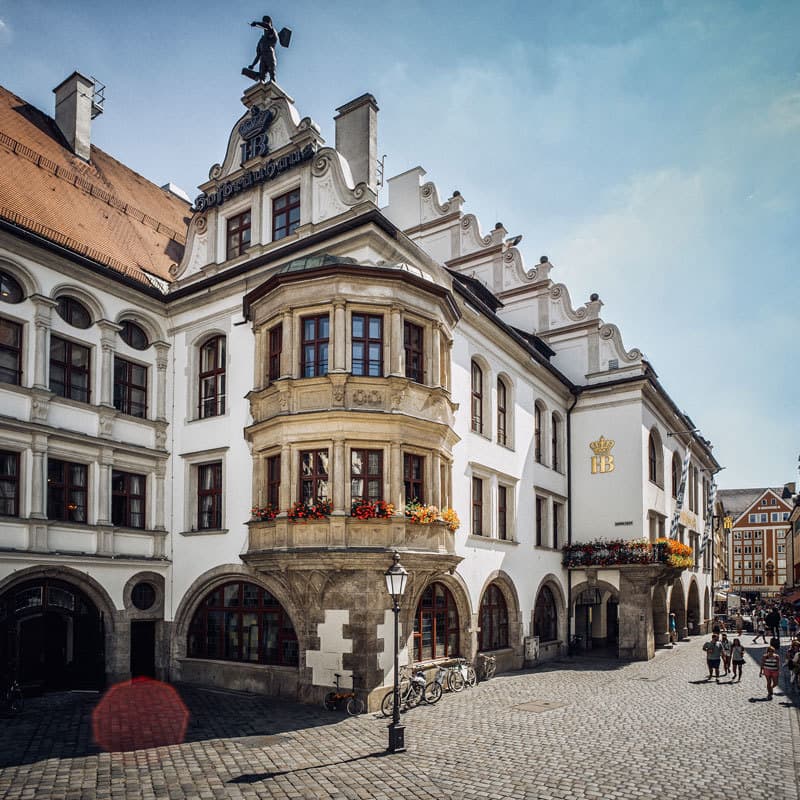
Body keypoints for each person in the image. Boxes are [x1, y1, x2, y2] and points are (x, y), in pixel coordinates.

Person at [248, 16, 279, 83]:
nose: (265, 23)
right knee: (262, 78)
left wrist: (256, 23)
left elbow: (267, 26)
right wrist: (253, 65)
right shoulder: (261, 41)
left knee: (272, 75)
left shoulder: (272, 31)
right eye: (264, 21)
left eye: (267, 21)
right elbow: (258, 55)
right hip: (263, 58)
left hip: (270, 55)